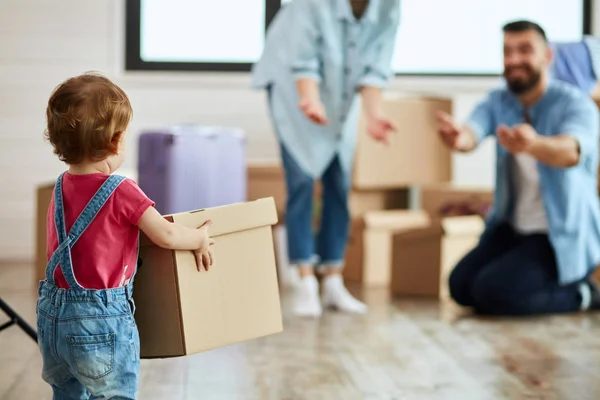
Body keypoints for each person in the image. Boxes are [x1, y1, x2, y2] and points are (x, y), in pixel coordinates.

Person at [36, 73, 215, 399]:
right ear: (116, 141)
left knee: (67, 392)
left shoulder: (60, 187)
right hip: (100, 320)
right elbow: (167, 235)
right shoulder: (121, 190)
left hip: (52, 317)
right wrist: (200, 239)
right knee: (114, 394)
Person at [435, 20, 600, 316]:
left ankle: (584, 293)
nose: (514, 60)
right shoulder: (499, 101)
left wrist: (535, 145)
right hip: (513, 227)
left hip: (556, 234)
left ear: (546, 56)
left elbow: (572, 151)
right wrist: (460, 138)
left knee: (493, 292)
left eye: (524, 50)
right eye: (507, 52)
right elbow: (473, 130)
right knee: (460, 286)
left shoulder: (576, 104)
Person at [252, 0, 401, 317]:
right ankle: (305, 280)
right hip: (294, 90)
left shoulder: (390, 6)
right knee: (302, 181)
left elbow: (376, 66)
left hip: (339, 96)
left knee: (339, 180)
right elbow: (302, 61)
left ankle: (333, 279)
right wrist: (309, 100)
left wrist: (374, 115)